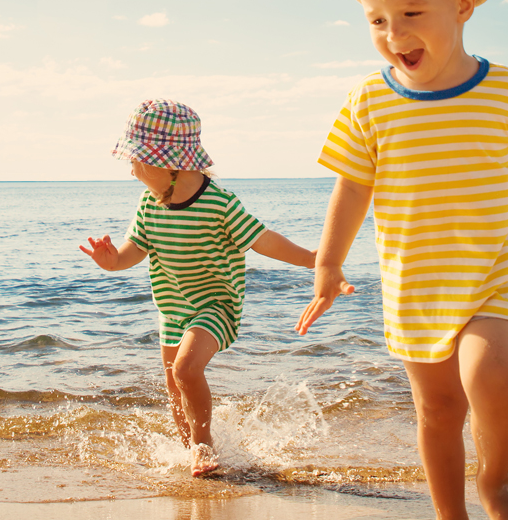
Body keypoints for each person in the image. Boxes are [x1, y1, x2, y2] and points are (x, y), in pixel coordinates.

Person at [294, 0, 508, 518]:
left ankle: (496, 483)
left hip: (492, 273)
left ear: (463, 5)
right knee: (439, 409)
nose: (394, 33)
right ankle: (450, 513)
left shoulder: (504, 88)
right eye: (377, 20)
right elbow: (352, 186)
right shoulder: (370, 100)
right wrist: (328, 262)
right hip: (415, 285)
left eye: (412, 14)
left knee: (491, 377)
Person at [81, 98, 344, 477]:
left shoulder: (219, 203)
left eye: (135, 161)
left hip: (216, 306)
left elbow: (262, 239)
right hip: (172, 309)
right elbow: (134, 248)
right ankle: (193, 454)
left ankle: (204, 446)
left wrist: (311, 259)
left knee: (186, 370)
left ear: (166, 162)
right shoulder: (149, 204)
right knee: (175, 385)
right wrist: (112, 261)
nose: (133, 171)